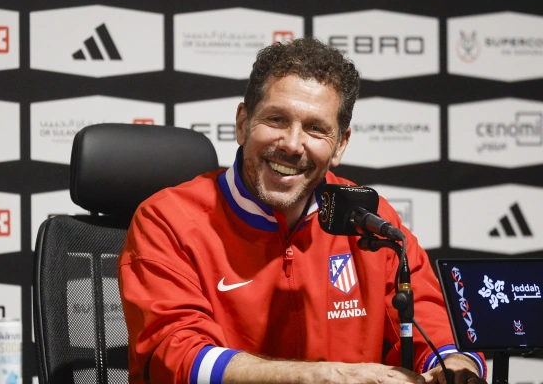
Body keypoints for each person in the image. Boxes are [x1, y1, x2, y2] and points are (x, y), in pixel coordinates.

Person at [117, 38, 487, 384]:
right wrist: (320, 377)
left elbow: (436, 329)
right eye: (276, 119)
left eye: (315, 128)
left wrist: (456, 365)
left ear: (340, 145)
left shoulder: (370, 221)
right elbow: (175, 357)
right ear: (243, 124)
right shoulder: (168, 219)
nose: (293, 145)